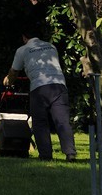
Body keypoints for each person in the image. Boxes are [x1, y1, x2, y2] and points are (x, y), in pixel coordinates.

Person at [5, 26, 76, 161]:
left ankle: (45, 155)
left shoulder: (22, 50)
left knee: (40, 122)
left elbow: (14, 72)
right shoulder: (51, 47)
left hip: (39, 87)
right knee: (62, 121)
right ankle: (70, 153)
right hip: (59, 85)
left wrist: (8, 81)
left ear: (24, 37)